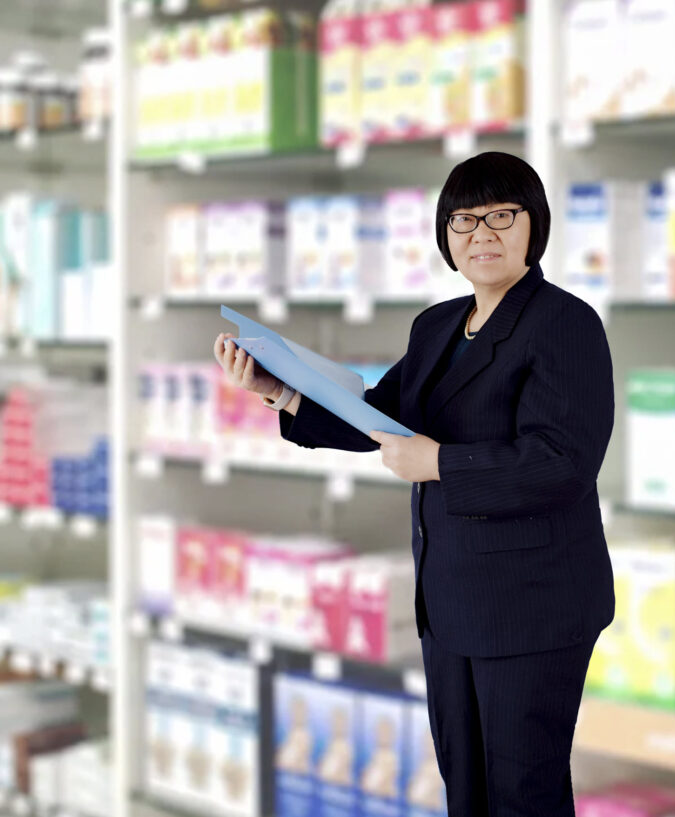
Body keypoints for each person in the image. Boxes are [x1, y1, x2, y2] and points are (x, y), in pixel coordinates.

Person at [213, 151, 616, 816]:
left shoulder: (564, 324)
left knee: (523, 790)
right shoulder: (438, 326)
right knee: (466, 783)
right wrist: (278, 389)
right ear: (443, 234)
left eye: (501, 216)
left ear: (533, 226)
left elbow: (561, 463)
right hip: (452, 598)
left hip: (532, 606)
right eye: (463, 220)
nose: (481, 234)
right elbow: (381, 417)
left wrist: (440, 463)